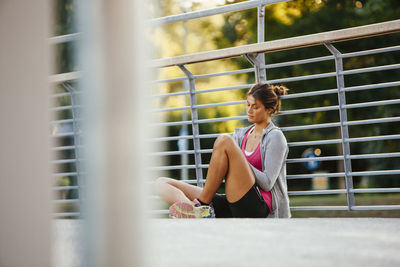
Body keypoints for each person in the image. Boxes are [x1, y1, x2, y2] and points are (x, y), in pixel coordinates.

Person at [155, 83, 291, 219]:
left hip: (258, 207)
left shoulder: (275, 136)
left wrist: (239, 161)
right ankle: (196, 212)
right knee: (161, 183)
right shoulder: (243, 135)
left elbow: (267, 183)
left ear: (269, 110)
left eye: (255, 107)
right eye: (248, 105)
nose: (249, 110)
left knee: (224, 140)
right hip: (233, 202)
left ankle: (202, 205)